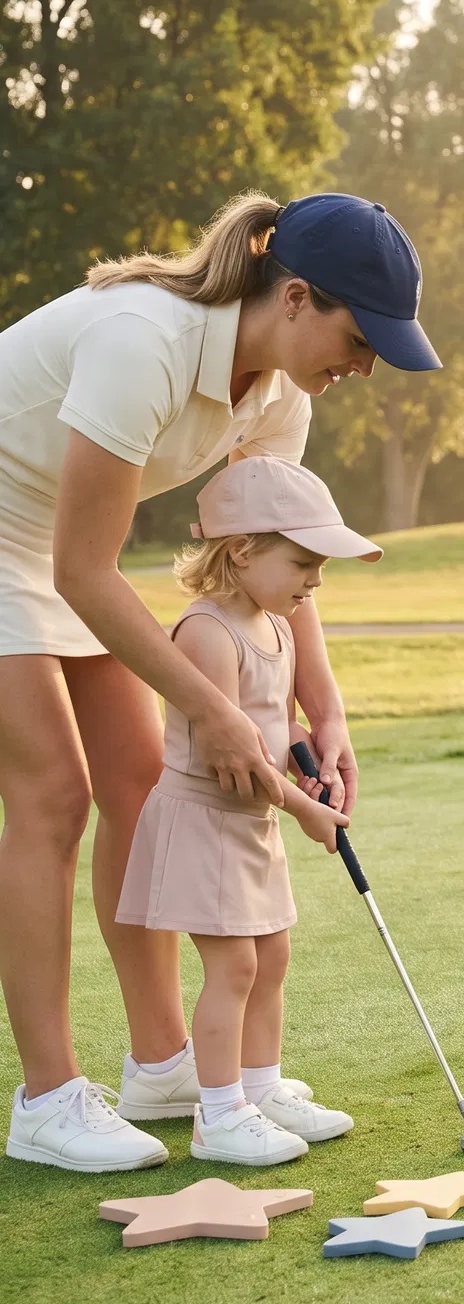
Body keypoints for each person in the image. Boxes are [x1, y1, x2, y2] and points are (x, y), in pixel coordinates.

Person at [1, 191, 439, 1173]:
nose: (364, 366)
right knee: (52, 794)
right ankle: (46, 1098)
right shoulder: (141, 342)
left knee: (143, 781)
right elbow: (83, 568)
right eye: (361, 338)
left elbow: (279, 567)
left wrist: (322, 709)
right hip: (12, 532)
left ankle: (164, 1064)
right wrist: (214, 709)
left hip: (62, 542)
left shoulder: (282, 391)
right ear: (294, 297)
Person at [115, 458, 369, 1165]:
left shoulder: (276, 623)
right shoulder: (205, 634)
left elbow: (272, 727)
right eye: (305, 563)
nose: (315, 582)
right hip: (208, 819)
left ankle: (257, 1089)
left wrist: (306, 757)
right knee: (231, 969)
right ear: (244, 551)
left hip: (251, 821)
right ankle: (219, 1115)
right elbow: (236, 767)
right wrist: (304, 811)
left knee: (272, 958)